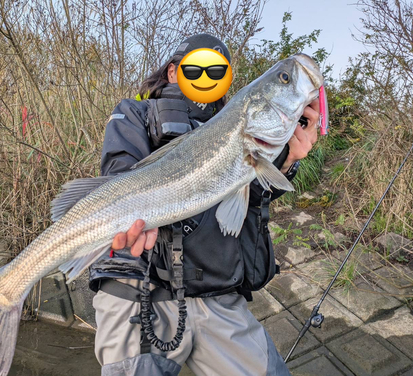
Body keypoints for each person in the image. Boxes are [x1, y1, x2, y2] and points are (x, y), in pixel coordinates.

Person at [89, 34, 320, 376]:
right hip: (138, 289)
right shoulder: (134, 112)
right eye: (197, 68)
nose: (207, 77)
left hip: (219, 296)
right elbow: (119, 173)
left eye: (218, 72)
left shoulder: (238, 123)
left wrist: (284, 159)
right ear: (172, 72)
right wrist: (138, 214)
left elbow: (248, 202)